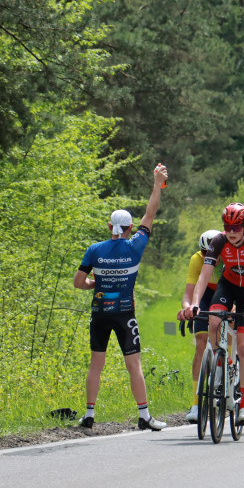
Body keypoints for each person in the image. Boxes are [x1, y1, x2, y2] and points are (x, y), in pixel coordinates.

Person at [74, 164, 169, 431]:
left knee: (96, 364)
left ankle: (89, 414)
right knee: (133, 364)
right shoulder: (135, 245)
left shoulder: (94, 250)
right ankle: (144, 415)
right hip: (125, 313)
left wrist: (98, 283)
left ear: (109, 227)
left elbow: (78, 282)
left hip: (99, 314)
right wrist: (156, 183)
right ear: (129, 228)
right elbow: (150, 213)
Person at [189, 203, 244, 427]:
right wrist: (195, 303)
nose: (232, 232)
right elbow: (204, 276)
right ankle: (218, 370)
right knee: (213, 323)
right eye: (227, 227)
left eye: (236, 227)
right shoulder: (219, 241)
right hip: (229, 286)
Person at [177, 229, 222, 423]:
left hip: (224, 295)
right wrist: (187, 308)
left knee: (220, 338)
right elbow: (189, 291)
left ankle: (224, 376)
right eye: (205, 253)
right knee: (201, 345)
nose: (208, 257)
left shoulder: (228, 258)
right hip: (204, 296)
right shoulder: (196, 259)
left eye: (212, 253)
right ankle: (196, 405)